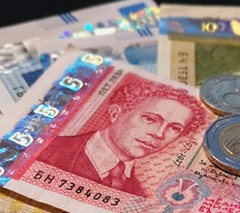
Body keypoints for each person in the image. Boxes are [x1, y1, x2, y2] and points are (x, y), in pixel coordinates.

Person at [37, 78, 205, 197]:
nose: (159, 134)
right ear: (115, 113)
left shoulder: (139, 195)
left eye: (174, 128)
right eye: (150, 119)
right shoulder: (46, 149)